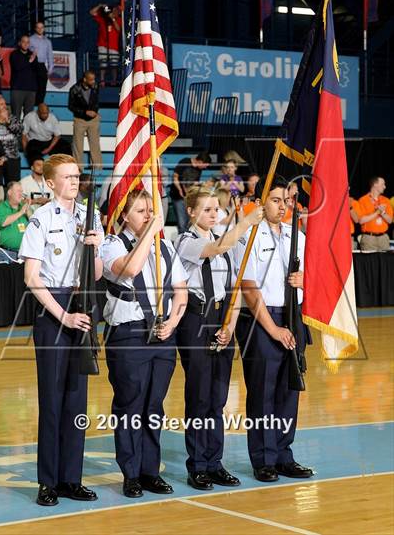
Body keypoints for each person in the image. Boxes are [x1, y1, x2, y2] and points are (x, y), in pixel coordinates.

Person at [19, 154, 104, 506]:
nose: (74, 181)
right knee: (52, 400)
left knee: (76, 398)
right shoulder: (41, 219)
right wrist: (63, 317)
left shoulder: (91, 216)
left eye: (76, 175)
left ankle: (72, 478)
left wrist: (96, 248)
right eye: (66, 177)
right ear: (51, 183)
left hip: (82, 301)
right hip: (52, 309)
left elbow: (97, 274)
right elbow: (31, 278)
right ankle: (48, 482)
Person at [174, 186, 264, 491]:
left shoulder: (225, 240)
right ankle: (197, 465)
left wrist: (231, 325)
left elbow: (234, 286)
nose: (214, 215)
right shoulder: (186, 241)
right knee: (199, 395)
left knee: (218, 396)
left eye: (217, 210)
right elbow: (214, 251)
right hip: (195, 319)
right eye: (207, 210)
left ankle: (215, 462)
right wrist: (245, 223)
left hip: (223, 318)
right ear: (190, 212)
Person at [101, 189, 188, 498]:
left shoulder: (164, 246)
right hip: (129, 334)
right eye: (141, 211)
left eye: (151, 211)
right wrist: (149, 233)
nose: (149, 216)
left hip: (162, 334)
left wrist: (174, 323)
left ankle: (151, 471)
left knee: (154, 405)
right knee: (130, 404)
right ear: (124, 215)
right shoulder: (111, 244)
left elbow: (181, 291)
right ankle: (131, 473)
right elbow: (130, 269)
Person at [235, 175, 313, 483]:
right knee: (263, 393)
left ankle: (284, 455)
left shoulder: (298, 237)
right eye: (276, 200)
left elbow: (311, 278)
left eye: (287, 201)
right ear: (261, 201)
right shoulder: (249, 235)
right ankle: (263, 459)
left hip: (292, 316)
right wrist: (274, 330)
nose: (282, 207)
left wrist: (305, 279)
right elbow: (250, 289)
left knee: (288, 391)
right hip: (262, 319)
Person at [169, 151, 212, 234]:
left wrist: (202, 184)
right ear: (200, 161)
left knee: (190, 222)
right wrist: (180, 189)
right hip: (178, 197)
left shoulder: (199, 170)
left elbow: (194, 184)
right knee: (182, 223)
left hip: (189, 197)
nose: (205, 167)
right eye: (205, 165)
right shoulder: (185, 162)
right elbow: (175, 177)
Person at [68, 71, 102, 168]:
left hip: (94, 119)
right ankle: (78, 168)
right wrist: (84, 112)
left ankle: (98, 168)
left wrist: (95, 111)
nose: (93, 81)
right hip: (80, 120)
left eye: (94, 79)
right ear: (85, 79)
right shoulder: (74, 89)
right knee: (78, 145)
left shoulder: (95, 86)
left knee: (95, 144)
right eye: (91, 79)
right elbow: (71, 106)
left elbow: (96, 100)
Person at [0, 181, 29, 261]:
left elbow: (32, 222)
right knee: (5, 274)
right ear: (9, 192)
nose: (21, 194)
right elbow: (3, 222)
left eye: (22, 191)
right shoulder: (1, 206)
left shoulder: (23, 208)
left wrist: (28, 207)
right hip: (6, 252)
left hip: (23, 252)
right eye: (18, 191)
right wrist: (21, 212)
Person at [0, 96, 23, 184]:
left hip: (12, 158)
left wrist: (7, 122)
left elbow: (19, 130)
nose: (5, 106)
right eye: (2, 104)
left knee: (13, 186)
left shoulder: (12, 118)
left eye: (5, 103)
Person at [89, 3, 122, 85]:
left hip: (114, 46)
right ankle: (102, 81)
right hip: (103, 44)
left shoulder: (119, 20)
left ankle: (114, 81)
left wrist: (113, 19)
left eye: (116, 11)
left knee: (114, 64)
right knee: (102, 63)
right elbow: (92, 13)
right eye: (114, 10)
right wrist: (100, 6)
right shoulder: (104, 18)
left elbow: (119, 29)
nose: (114, 12)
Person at [358, 176, 393, 251]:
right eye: (383, 184)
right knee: (370, 261)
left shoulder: (386, 200)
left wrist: (382, 213)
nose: (385, 187)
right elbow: (361, 220)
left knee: (385, 261)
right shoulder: (363, 200)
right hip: (369, 239)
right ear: (375, 185)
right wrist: (377, 212)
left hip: (383, 238)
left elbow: (390, 220)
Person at [10, 35, 38, 120]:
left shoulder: (32, 55)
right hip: (18, 88)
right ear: (19, 43)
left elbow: (36, 71)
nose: (26, 44)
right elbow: (17, 67)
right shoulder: (14, 54)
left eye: (28, 42)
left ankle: (25, 133)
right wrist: (29, 61)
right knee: (16, 115)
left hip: (30, 89)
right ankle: (15, 133)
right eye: (24, 42)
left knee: (29, 117)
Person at [29, 21, 54, 105]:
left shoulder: (47, 41)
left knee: (42, 87)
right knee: (33, 86)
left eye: (42, 27)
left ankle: (39, 104)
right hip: (32, 65)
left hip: (42, 65)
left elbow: (50, 55)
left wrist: (50, 69)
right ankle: (31, 104)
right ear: (35, 28)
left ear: (44, 29)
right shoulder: (30, 39)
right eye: (38, 27)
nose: (40, 29)